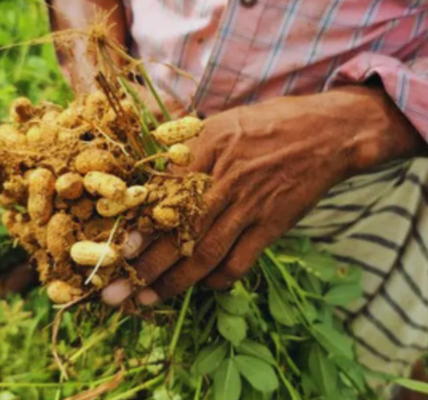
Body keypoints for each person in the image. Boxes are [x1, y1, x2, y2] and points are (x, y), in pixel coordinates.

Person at [5, 0, 428, 398]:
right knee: (175, 331)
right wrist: (99, 86)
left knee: (357, 361)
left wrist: (356, 128)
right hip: (146, 147)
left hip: (356, 189)